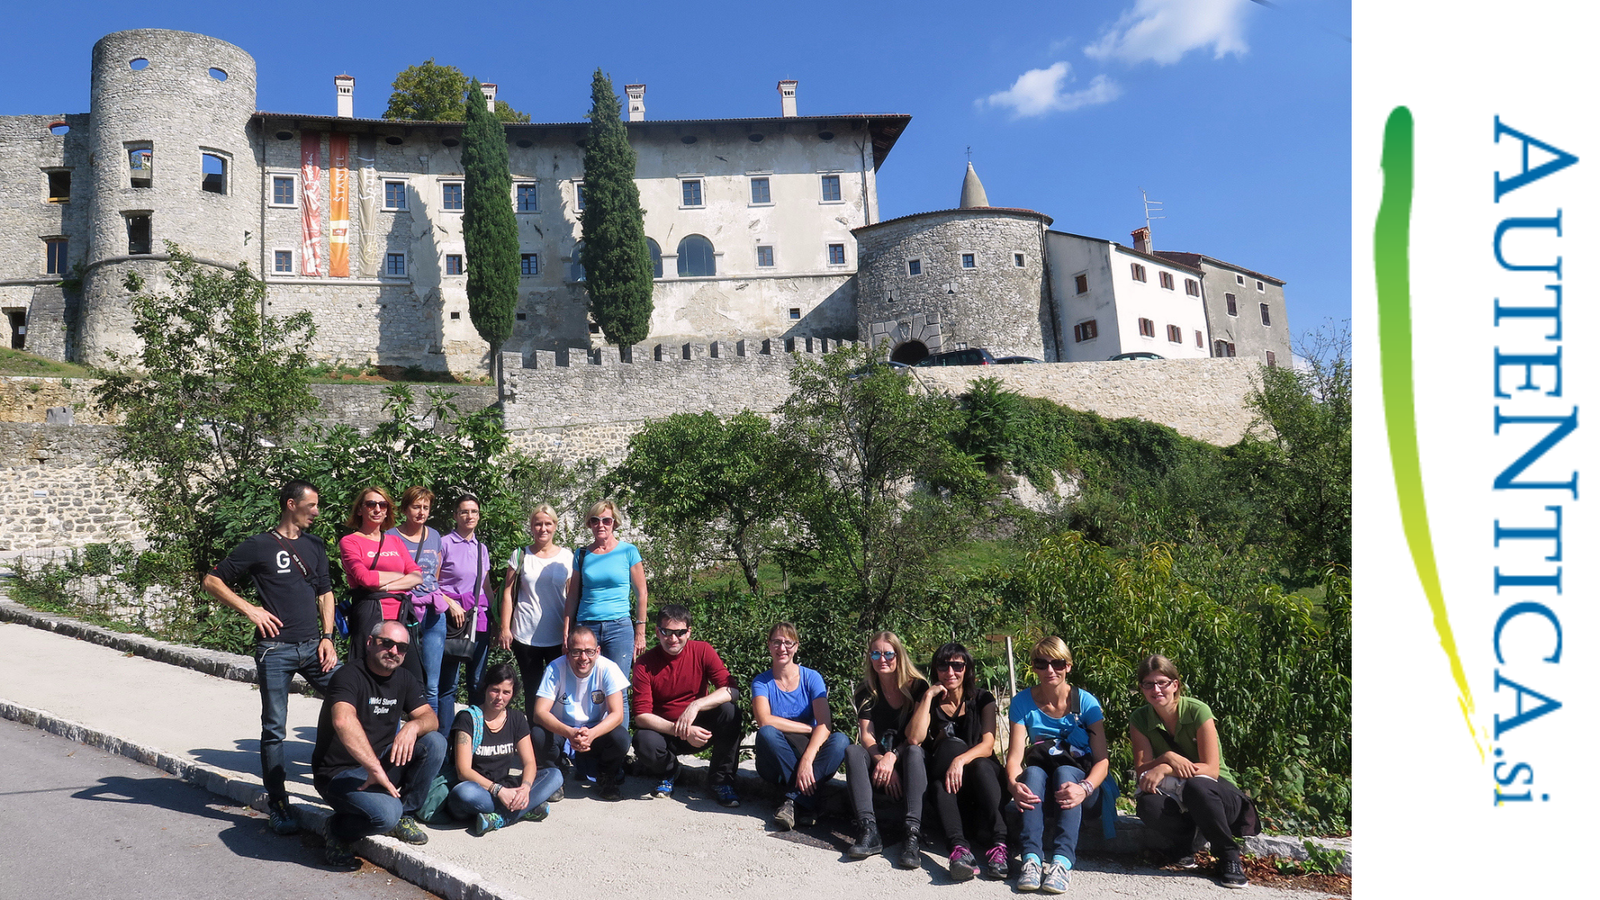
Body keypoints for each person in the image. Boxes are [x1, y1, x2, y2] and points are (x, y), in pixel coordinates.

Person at [202, 479, 341, 837]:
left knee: (348, 699)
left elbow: (326, 593)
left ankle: (334, 774)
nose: (317, 512)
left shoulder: (314, 545)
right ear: (291, 504)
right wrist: (251, 610)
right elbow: (212, 581)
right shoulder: (259, 545)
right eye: (311, 505)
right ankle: (278, 805)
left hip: (315, 646)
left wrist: (328, 637)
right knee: (275, 728)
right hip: (275, 650)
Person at [311, 620, 445, 869]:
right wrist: (374, 768)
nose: (394, 651)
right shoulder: (348, 676)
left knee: (434, 742)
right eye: (387, 643)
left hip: (379, 765)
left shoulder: (404, 678)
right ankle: (338, 830)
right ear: (370, 643)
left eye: (402, 647)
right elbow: (342, 721)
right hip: (339, 774)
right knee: (385, 816)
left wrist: (412, 727)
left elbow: (431, 719)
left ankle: (406, 814)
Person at [1129, 654, 1258, 890]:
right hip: (1178, 798)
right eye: (1148, 684)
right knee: (1148, 805)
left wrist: (1167, 767)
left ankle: (1229, 857)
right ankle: (1186, 843)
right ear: (1141, 688)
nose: (1156, 689)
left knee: (1197, 786)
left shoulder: (1198, 711)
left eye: (1162, 683)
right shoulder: (1139, 719)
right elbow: (1142, 771)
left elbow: (1211, 768)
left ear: (1175, 685)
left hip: (1217, 795)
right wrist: (1167, 757)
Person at [1005, 637, 1112, 894]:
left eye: (1057, 663)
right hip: (1042, 788)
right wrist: (1012, 785)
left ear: (1069, 666)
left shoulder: (1085, 702)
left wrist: (1084, 788)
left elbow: (1102, 761)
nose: (1050, 670)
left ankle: (1062, 862)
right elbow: (1014, 757)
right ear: (1033, 667)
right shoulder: (1022, 703)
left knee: (1065, 772)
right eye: (1042, 663)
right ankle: (1031, 858)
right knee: (1030, 773)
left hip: (1081, 788)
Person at [910, 641, 1008, 882]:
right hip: (949, 786)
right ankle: (959, 851)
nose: (950, 672)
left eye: (957, 665)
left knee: (979, 763)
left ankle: (1001, 846)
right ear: (935, 670)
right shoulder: (929, 701)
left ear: (967, 669)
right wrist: (928, 696)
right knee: (939, 783)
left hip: (982, 782)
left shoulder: (983, 699)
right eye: (943, 666)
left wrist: (960, 761)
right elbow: (914, 738)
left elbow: (987, 745)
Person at [631, 603, 742, 807]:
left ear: (689, 632)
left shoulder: (702, 650)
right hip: (666, 733)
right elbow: (641, 715)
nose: (673, 639)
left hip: (701, 729)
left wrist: (696, 705)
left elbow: (732, 691)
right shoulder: (644, 663)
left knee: (730, 711)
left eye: (680, 632)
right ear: (657, 631)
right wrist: (680, 730)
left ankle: (721, 781)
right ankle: (670, 770)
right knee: (642, 740)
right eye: (666, 632)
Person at [752, 621, 849, 831]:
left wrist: (807, 759)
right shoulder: (761, 682)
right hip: (776, 759)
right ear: (768, 645)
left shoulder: (812, 678)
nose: (782, 648)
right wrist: (808, 728)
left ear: (796, 646)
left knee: (841, 741)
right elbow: (764, 720)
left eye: (788, 642)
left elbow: (825, 724)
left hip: (809, 752)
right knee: (767, 733)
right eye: (776, 642)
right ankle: (810, 800)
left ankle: (793, 801)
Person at [446, 663, 563, 836]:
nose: (499, 697)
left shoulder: (516, 718)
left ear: (513, 694)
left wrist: (525, 788)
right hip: (480, 790)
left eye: (506, 692)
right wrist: (499, 791)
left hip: (506, 787)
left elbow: (530, 762)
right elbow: (463, 771)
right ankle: (524, 809)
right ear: (485, 688)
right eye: (495, 690)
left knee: (554, 775)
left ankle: (501, 817)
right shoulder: (468, 719)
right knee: (464, 793)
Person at [844, 631, 929, 868]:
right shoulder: (866, 690)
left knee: (913, 751)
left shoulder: (917, 687)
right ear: (870, 657)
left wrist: (893, 757)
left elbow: (917, 738)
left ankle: (912, 835)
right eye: (876, 653)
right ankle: (868, 829)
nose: (882, 659)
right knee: (852, 751)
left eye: (888, 653)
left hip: (910, 757)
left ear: (899, 655)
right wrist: (883, 761)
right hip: (880, 759)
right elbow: (866, 736)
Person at [530, 626, 631, 801]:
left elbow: (617, 715)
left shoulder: (608, 668)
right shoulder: (555, 668)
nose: (583, 658)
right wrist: (569, 732)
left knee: (621, 737)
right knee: (538, 734)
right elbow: (539, 712)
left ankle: (606, 775)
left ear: (598, 651)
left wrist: (592, 734)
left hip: (594, 730)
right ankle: (556, 774)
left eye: (589, 651)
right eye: (577, 652)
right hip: (562, 729)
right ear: (567, 652)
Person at [337, 486, 423, 670]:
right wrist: (401, 577)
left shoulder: (395, 541)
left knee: (410, 676)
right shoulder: (350, 541)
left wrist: (384, 586)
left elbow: (417, 576)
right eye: (371, 504)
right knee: (367, 673)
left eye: (382, 505)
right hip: (370, 614)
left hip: (401, 615)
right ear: (360, 509)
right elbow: (364, 579)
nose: (377, 509)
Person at [564, 499, 648, 677]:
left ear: (614, 523)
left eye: (606, 520)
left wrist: (640, 631)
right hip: (586, 626)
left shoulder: (629, 552)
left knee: (617, 686)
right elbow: (572, 596)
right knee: (585, 684)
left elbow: (641, 593)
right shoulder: (581, 555)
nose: (600, 525)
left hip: (619, 627)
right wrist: (566, 631)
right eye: (595, 520)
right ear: (590, 524)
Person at [499, 504, 572, 702]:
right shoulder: (520, 555)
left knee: (559, 692)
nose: (543, 528)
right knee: (532, 691)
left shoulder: (567, 557)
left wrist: (570, 631)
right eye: (538, 524)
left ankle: (557, 733)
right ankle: (534, 733)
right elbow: (508, 593)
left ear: (555, 526)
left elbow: (572, 597)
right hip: (525, 635)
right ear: (531, 527)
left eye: (548, 523)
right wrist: (505, 628)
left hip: (557, 636)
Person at [389, 486, 448, 720]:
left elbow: (437, 571)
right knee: (400, 675)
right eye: (416, 506)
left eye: (426, 507)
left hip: (433, 613)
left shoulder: (434, 536)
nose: (421, 512)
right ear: (405, 509)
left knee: (432, 683)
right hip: (404, 611)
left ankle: (429, 739)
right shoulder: (391, 536)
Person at [437, 493, 493, 725]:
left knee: (477, 682)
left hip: (478, 618)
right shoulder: (443, 543)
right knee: (448, 684)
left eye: (474, 512)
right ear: (455, 515)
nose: (469, 516)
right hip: (451, 619)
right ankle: (446, 741)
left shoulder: (481, 548)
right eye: (464, 511)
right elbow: (430, 581)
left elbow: (486, 587)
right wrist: (450, 603)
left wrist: (497, 620)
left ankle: (472, 737)